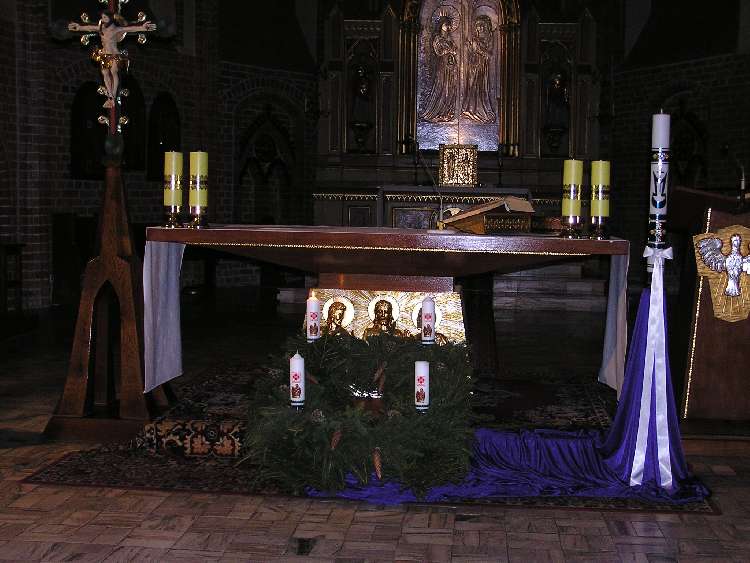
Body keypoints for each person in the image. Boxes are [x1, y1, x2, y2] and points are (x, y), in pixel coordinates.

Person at [69, 11, 156, 108]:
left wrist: (143, 27)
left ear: (110, 19)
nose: (103, 20)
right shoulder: (101, 28)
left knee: (113, 72)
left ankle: (113, 96)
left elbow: (130, 28)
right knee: (105, 74)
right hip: (104, 55)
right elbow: (90, 27)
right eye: (102, 17)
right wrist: (78, 27)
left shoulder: (116, 29)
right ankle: (110, 96)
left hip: (114, 54)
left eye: (105, 18)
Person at [419, 16, 458, 123]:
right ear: (441, 25)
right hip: (442, 65)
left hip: (450, 66)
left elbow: (455, 49)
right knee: (442, 87)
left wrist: (452, 51)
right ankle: (437, 111)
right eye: (446, 25)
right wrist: (449, 51)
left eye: (449, 25)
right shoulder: (438, 38)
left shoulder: (449, 38)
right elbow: (438, 52)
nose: (448, 27)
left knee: (450, 88)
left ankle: (447, 112)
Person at [461, 15, 496, 123]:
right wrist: (470, 46)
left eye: (482, 25)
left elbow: (489, 54)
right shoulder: (474, 39)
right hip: (473, 66)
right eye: (478, 25)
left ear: (486, 26)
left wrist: (478, 49)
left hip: (482, 67)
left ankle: (479, 110)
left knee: (481, 88)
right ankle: (469, 109)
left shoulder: (489, 38)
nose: (480, 28)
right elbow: (471, 52)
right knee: (472, 86)